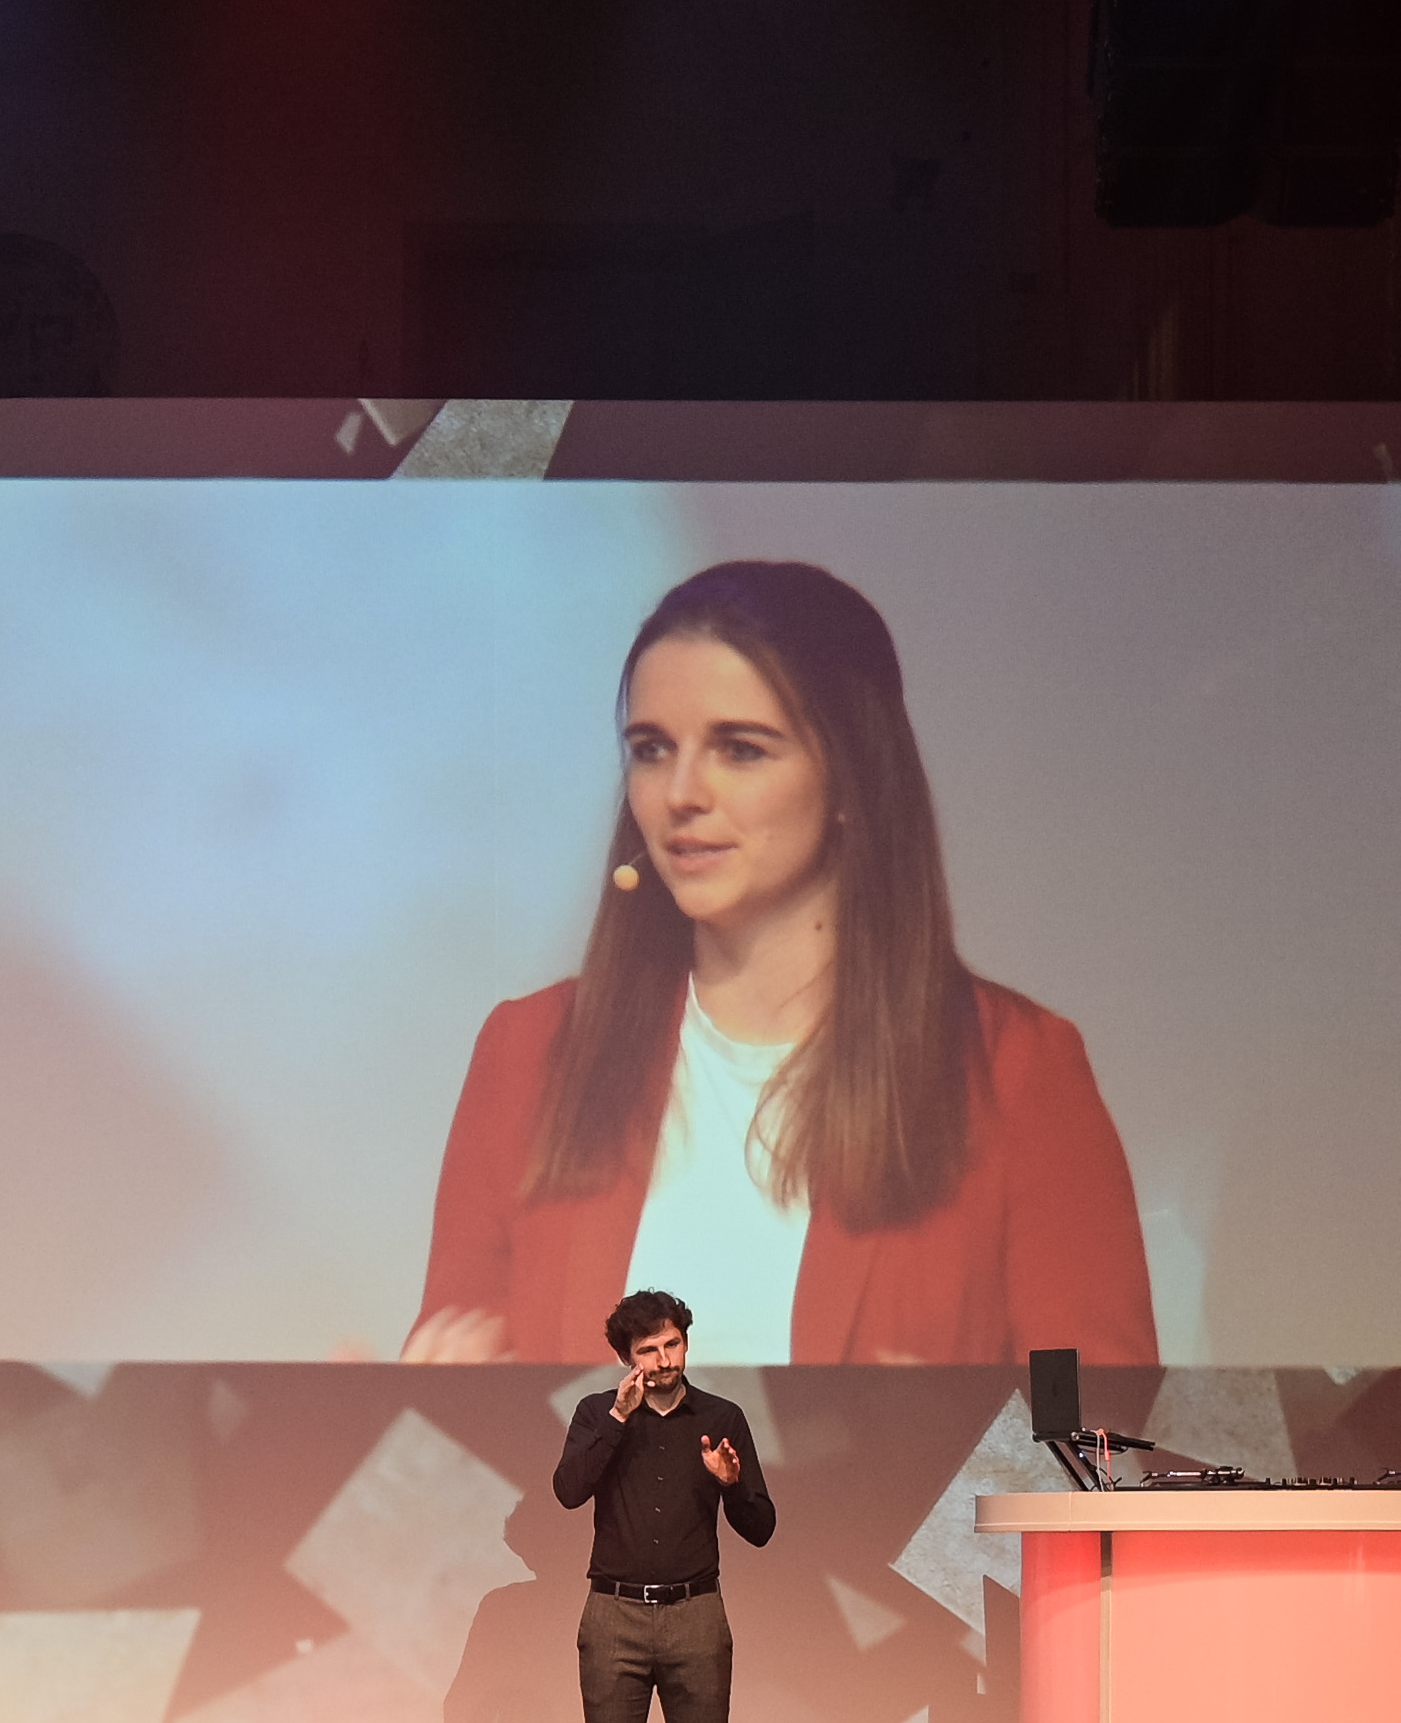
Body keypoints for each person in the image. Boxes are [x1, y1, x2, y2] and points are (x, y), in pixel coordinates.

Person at [405, 557, 1153, 1369]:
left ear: (848, 780)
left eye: (741, 749)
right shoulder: (530, 1052)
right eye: (652, 749)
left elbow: (1099, 1441)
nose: (682, 791)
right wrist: (378, 1426)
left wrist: (942, 1439)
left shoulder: (1016, 1070)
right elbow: (455, 1448)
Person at [551, 1289, 775, 1723]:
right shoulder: (596, 1413)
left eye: (672, 1343)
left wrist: (730, 1482)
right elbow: (568, 1491)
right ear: (628, 1358)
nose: (665, 1360)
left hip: (695, 1613)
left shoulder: (722, 1418)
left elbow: (760, 1527)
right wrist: (618, 1419)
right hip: (613, 1614)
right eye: (648, 1350)